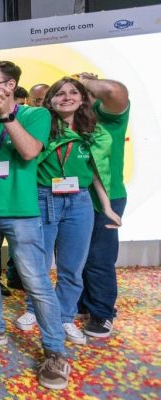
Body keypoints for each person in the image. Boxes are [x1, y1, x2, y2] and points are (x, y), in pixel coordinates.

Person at [0, 61, 70, 390]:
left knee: (36, 281)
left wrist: (6, 116)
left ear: (9, 86)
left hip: (20, 212)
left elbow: (29, 151)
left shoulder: (36, 115)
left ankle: (55, 350)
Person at [14, 77, 122, 345]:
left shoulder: (92, 132)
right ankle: (34, 309)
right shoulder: (41, 130)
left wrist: (107, 207)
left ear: (82, 99)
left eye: (73, 92)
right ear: (50, 101)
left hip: (79, 202)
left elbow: (96, 172)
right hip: (43, 198)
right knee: (38, 264)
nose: (67, 97)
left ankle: (64, 316)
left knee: (72, 267)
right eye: (59, 94)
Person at [77, 72, 130, 338]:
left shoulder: (108, 114)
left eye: (78, 91)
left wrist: (85, 81)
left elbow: (113, 91)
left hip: (108, 196)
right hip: (75, 196)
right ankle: (84, 303)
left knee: (99, 257)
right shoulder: (72, 119)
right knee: (77, 256)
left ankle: (102, 312)